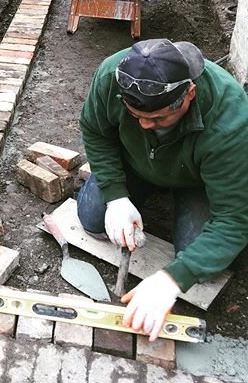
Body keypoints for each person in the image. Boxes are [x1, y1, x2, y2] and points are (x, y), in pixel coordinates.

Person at [77, 38, 248, 340]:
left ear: (189, 95)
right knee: (92, 218)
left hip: (197, 180)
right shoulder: (111, 77)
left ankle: (178, 197)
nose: (144, 125)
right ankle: (138, 189)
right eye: (136, 115)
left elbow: (233, 222)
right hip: (135, 161)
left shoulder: (230, 120)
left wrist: (171, 280)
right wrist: (116, 196)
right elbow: (95, 131)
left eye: (157, 118)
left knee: (202, 267)